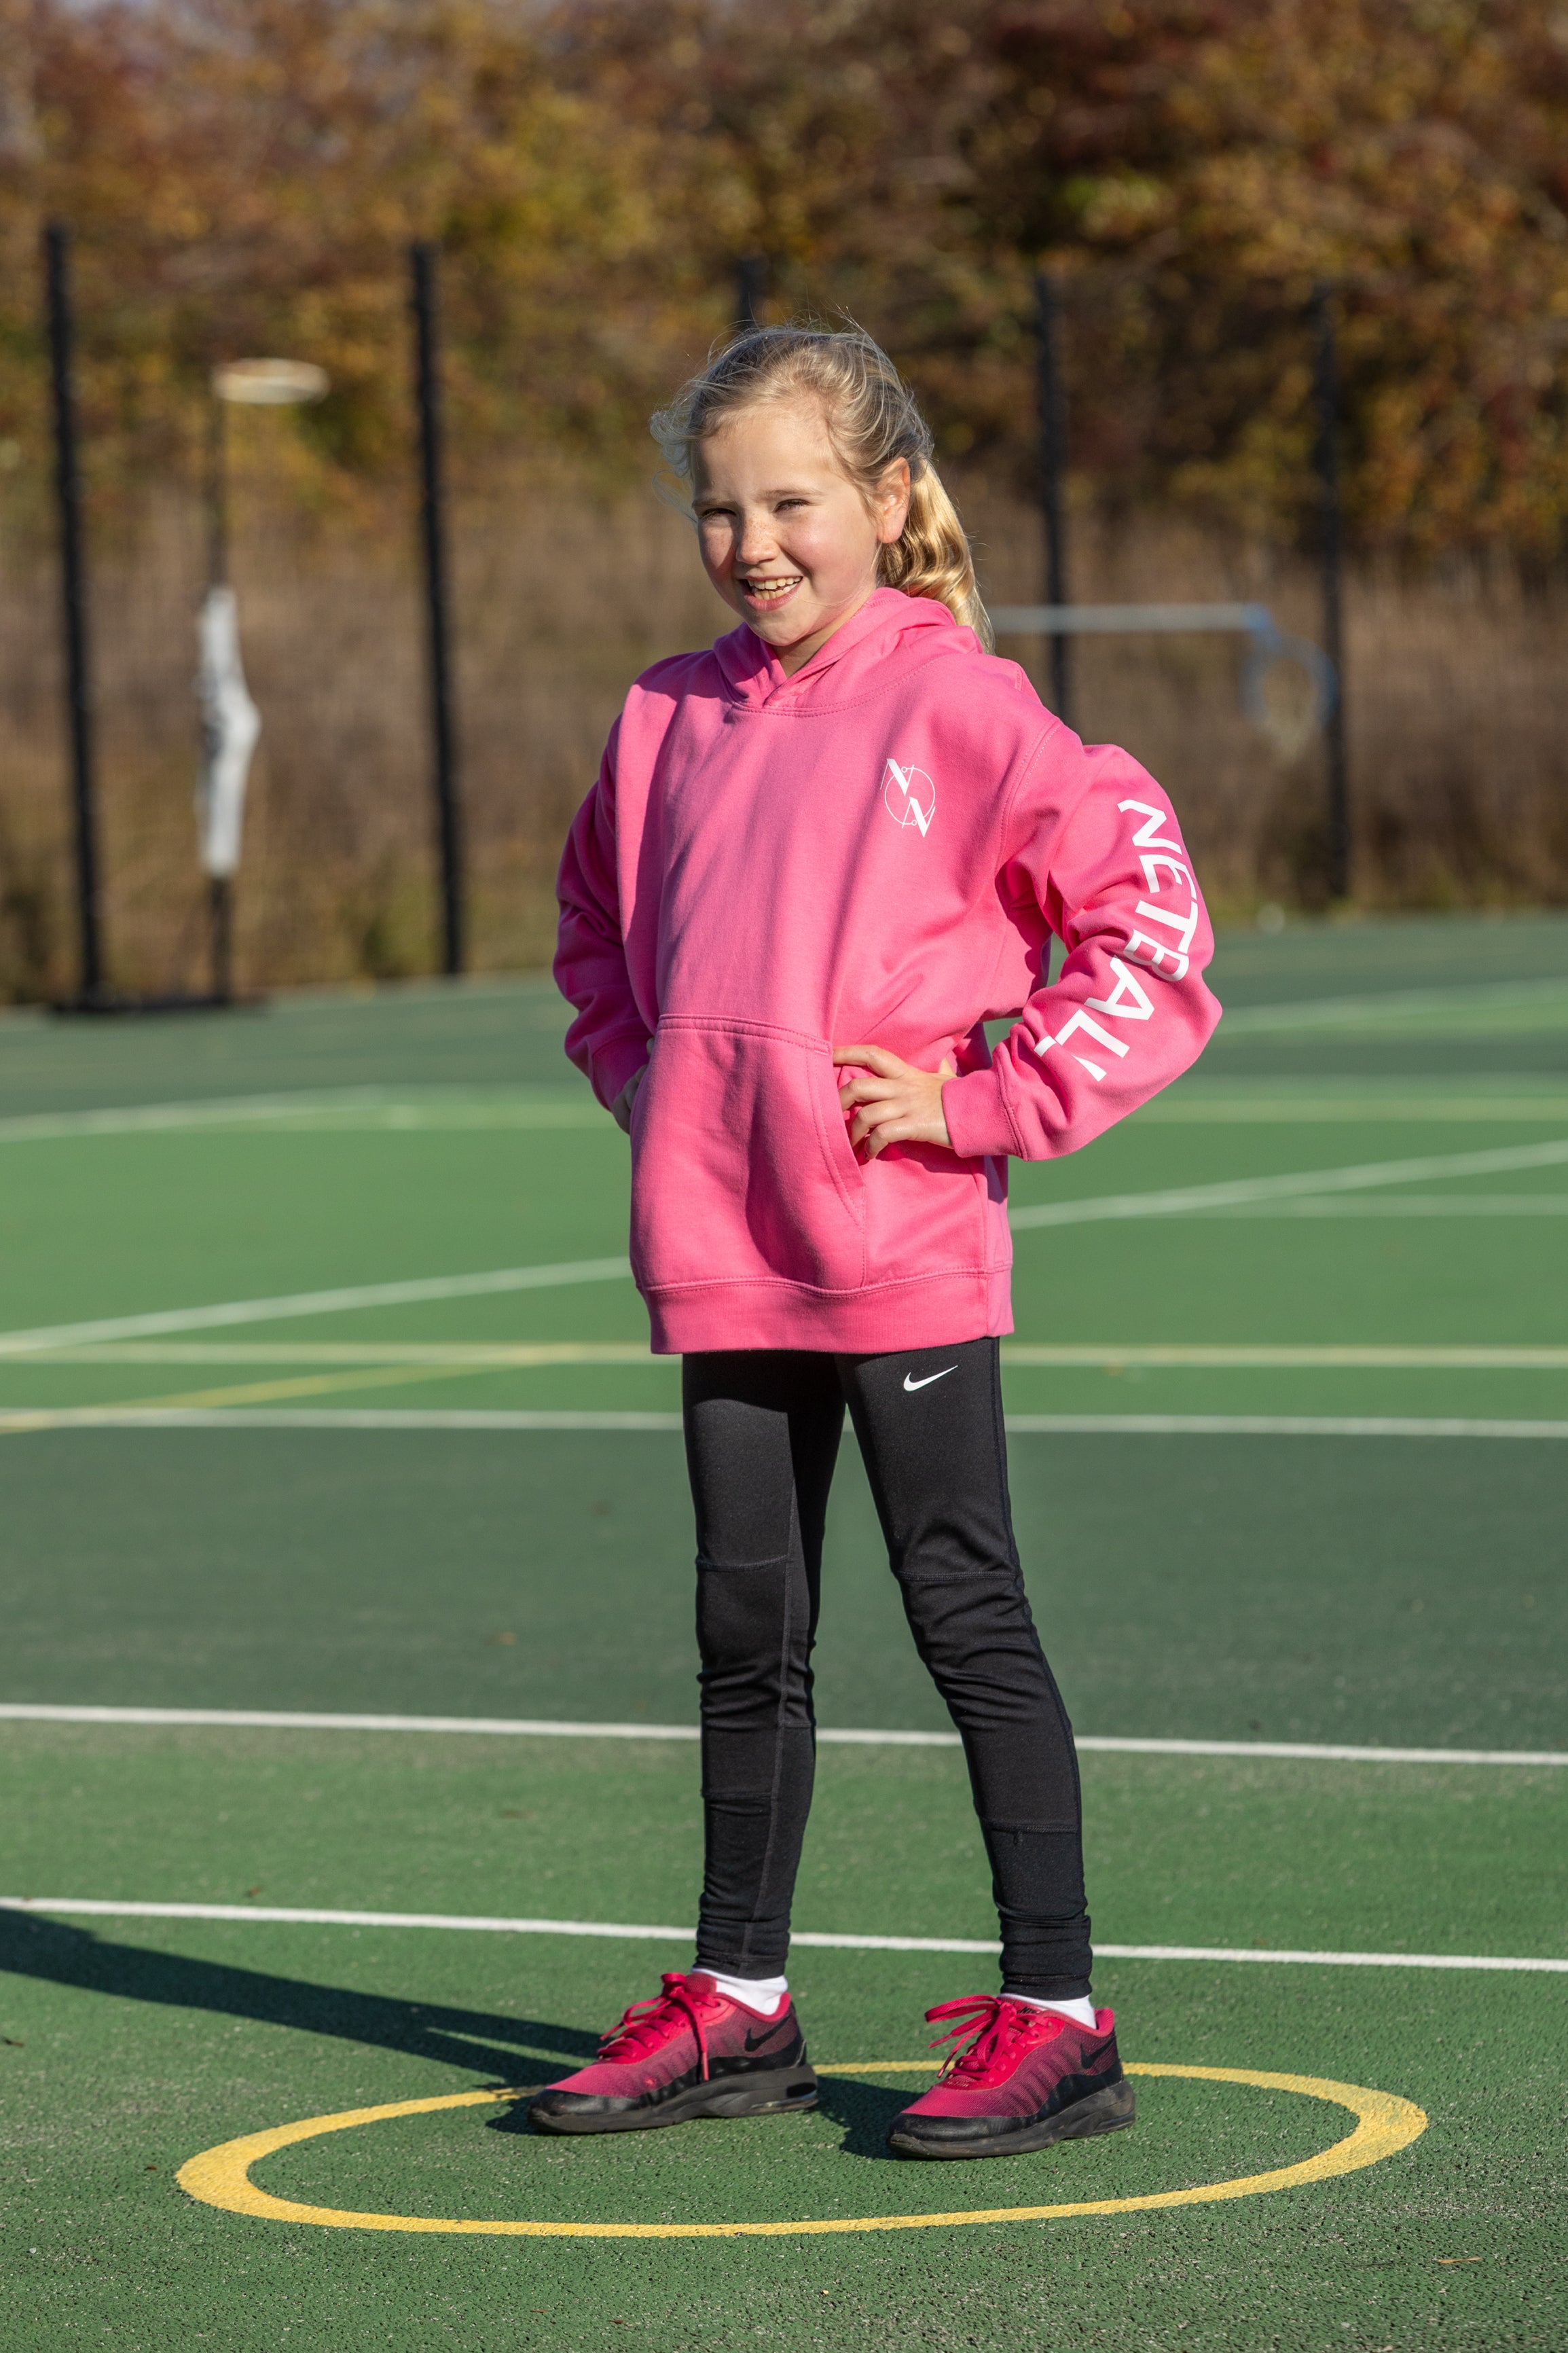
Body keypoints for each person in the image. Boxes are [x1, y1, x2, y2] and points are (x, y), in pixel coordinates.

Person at [541, 324, 1220, 2160]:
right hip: (721, 1242)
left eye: (793, 503)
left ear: (888, 501)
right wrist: (656, 1087)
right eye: (720, 508)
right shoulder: (664, 717)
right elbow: (594, 936)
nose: (754, 543)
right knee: (745, 1626)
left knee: (963, 1607)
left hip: (900, 1244)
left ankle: (1061, 2015)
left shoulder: (963, 707)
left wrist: (980, 1104)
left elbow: (1151, 929)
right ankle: (741, 2002)